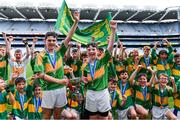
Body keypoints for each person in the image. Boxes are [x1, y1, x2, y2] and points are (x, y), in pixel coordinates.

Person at [34, 11, 80, 119]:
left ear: (56, 41)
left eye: (53, 40)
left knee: (58, 115)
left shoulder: (59, 52)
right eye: (49, 40)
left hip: (61, 89)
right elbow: (40, 74)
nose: (51, 42)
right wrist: (59, 81)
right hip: (48, 89)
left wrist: (76, 22)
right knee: (46, 115)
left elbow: (69, 37)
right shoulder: (40, 55)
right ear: (44, 41)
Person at [81, 20, 117, 120]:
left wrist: (113, 30)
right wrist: (82, 80)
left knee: (103, 117)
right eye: (89, 50)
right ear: (86, 52)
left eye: (93, 49)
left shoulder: (102, 61)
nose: (91, 51)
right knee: (92, 117)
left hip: (102, 93)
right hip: (90, 93)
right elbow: (83, 79)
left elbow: (110, 48)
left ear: (97, 51)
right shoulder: (84, 66)